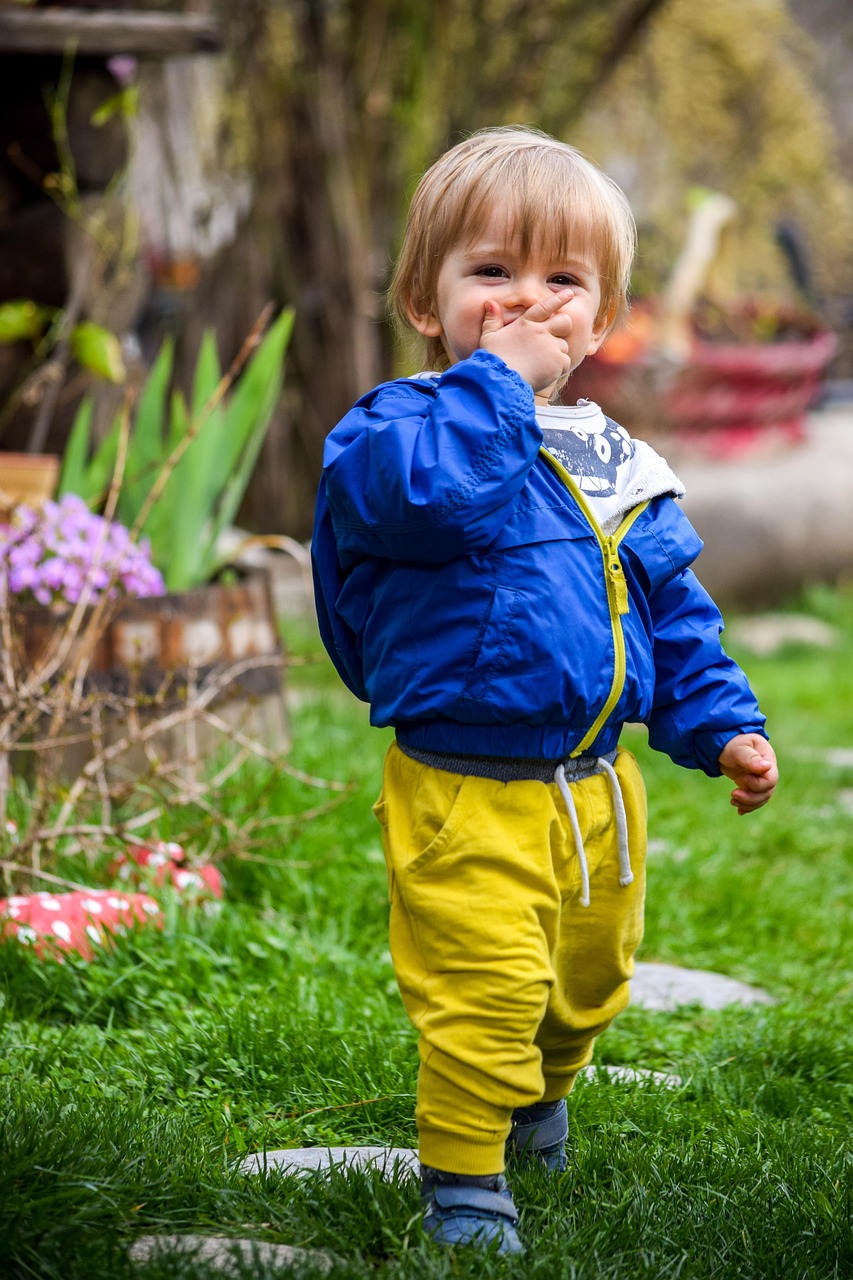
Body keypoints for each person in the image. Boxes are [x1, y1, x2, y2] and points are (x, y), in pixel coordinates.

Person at [311, 126, 778, 1256]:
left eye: (561, 279)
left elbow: (671, 611)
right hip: (463, 787)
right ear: (425, 303)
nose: (527, 299)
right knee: (485, 987)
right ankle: (465, 1179)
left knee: (585, 985)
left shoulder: (619, 461)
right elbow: (436, 503)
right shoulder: (396, 432)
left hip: (595, 791)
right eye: (492, 272)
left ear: (601, 319)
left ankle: (538, 1096)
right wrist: (497, 384)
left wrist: (722, 722)